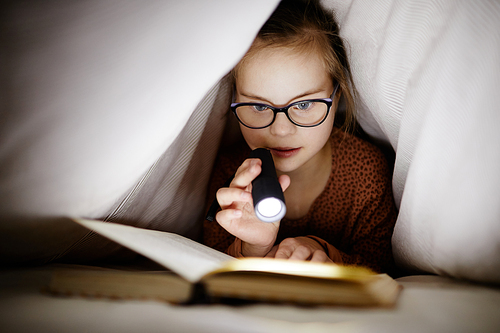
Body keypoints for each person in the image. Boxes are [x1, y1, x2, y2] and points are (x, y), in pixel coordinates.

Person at [203, 0, 398, 274]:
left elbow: (382, 267)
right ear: (234, 101)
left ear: (336, 96)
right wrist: (252, 248)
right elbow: (206, 260)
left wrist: (322, 251)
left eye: (304, 105)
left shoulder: (366, 172)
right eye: (259, 106)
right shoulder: (231, 174)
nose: (281, 130)